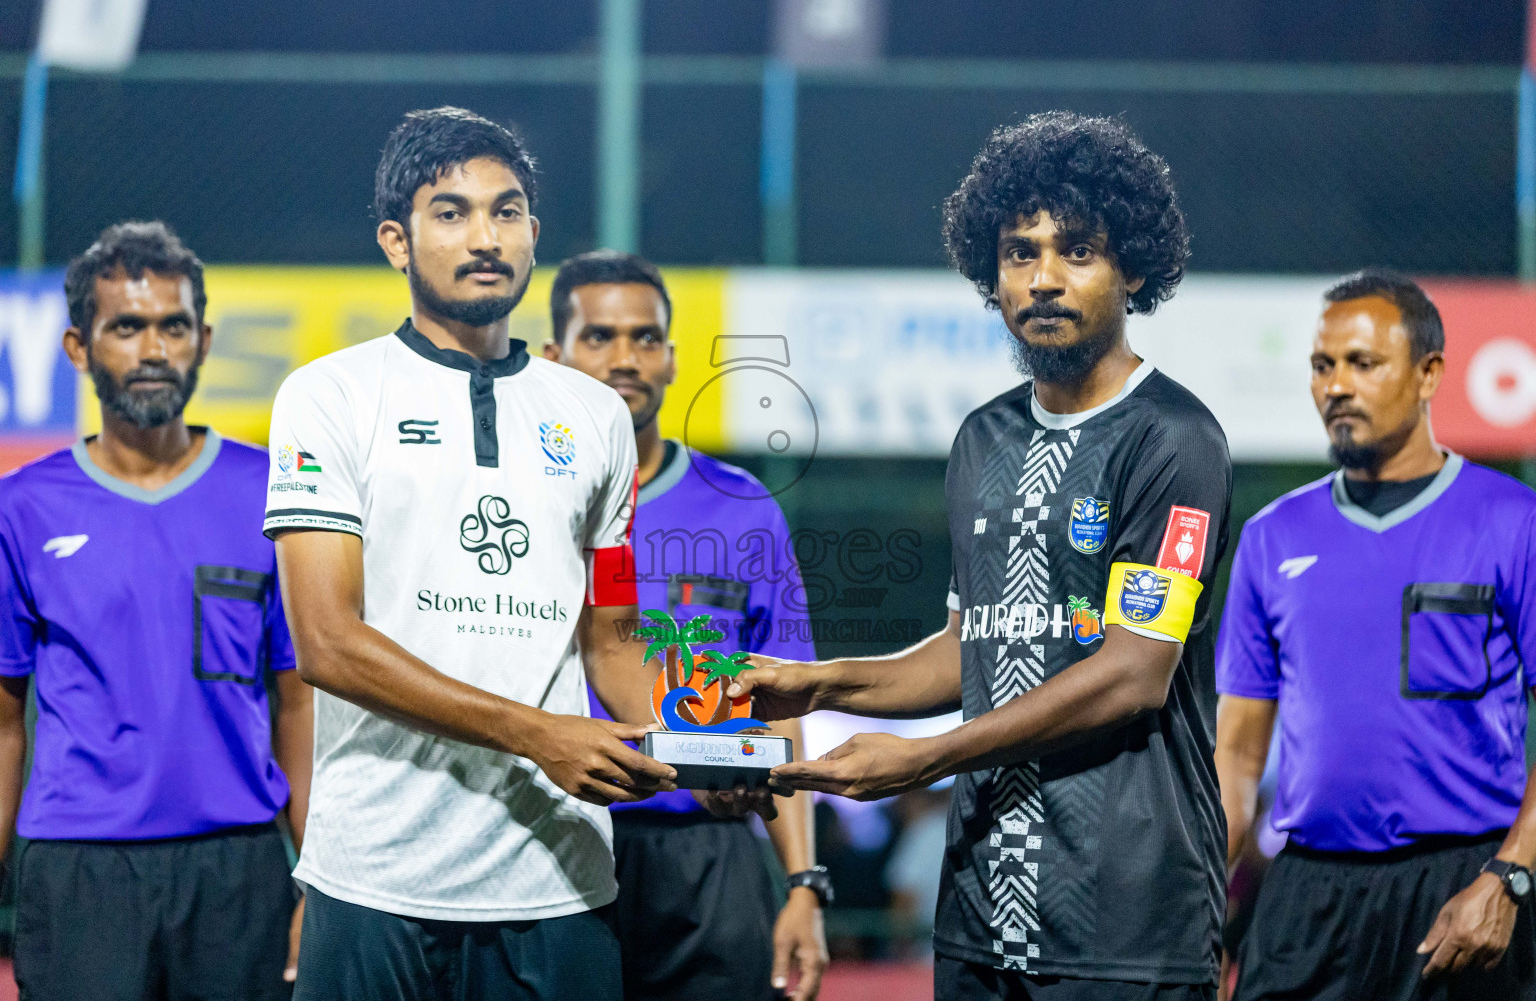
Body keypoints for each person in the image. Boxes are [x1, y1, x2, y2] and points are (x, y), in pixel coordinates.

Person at [268, 107, 762, 1001]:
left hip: (558, 880)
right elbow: (327, 646)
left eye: (506, 212)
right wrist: (537, 733)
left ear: (534, 234)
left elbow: (611, 642)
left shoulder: (596, 417)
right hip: (375, 877)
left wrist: (712, 739)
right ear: (396, 240)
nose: (484, 236)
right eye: (450, 212)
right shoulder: (330, 396)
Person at [734, 111, 1232, 1000]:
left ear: (1135, 270)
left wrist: (928, 757)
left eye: (1077, 251)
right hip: (977, 914)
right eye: (1018, 252)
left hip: (1127, 922)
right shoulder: (982, 437)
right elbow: (975, 646)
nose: (1043, 278)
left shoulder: (1174, 437)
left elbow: (1134, 674)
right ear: (988, 273)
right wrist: (822, 685)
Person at [0, 221, 312, 1000]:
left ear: (203, 340)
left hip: (239, 865)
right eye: (126, 327)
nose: (151, 349)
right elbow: (3, 720)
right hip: (78, 870)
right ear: (78, 348)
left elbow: (299, 704)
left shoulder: (272, 492)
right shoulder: (24, 507)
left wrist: (317, 878)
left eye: (172, 326)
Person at [1215, 270, 1536, 1001]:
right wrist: (1199, 907)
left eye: (1363, 363)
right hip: (1305, 897)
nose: (1336, 386)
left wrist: (1512, 875)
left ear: (1428, 376)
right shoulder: (1272, 537)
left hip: (1466, 887)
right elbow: (1236, 755)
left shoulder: (1513, 522)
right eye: (1322, 366)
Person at [544, 249, 829, 1001]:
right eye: (598, 337)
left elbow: (784, 708)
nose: (625, 358)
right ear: (553, 357)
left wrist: (802, 880)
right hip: (558, 846)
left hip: (711, 852)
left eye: (644, 338)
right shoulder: (524, 507)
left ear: (671, 358)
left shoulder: (742, 506)